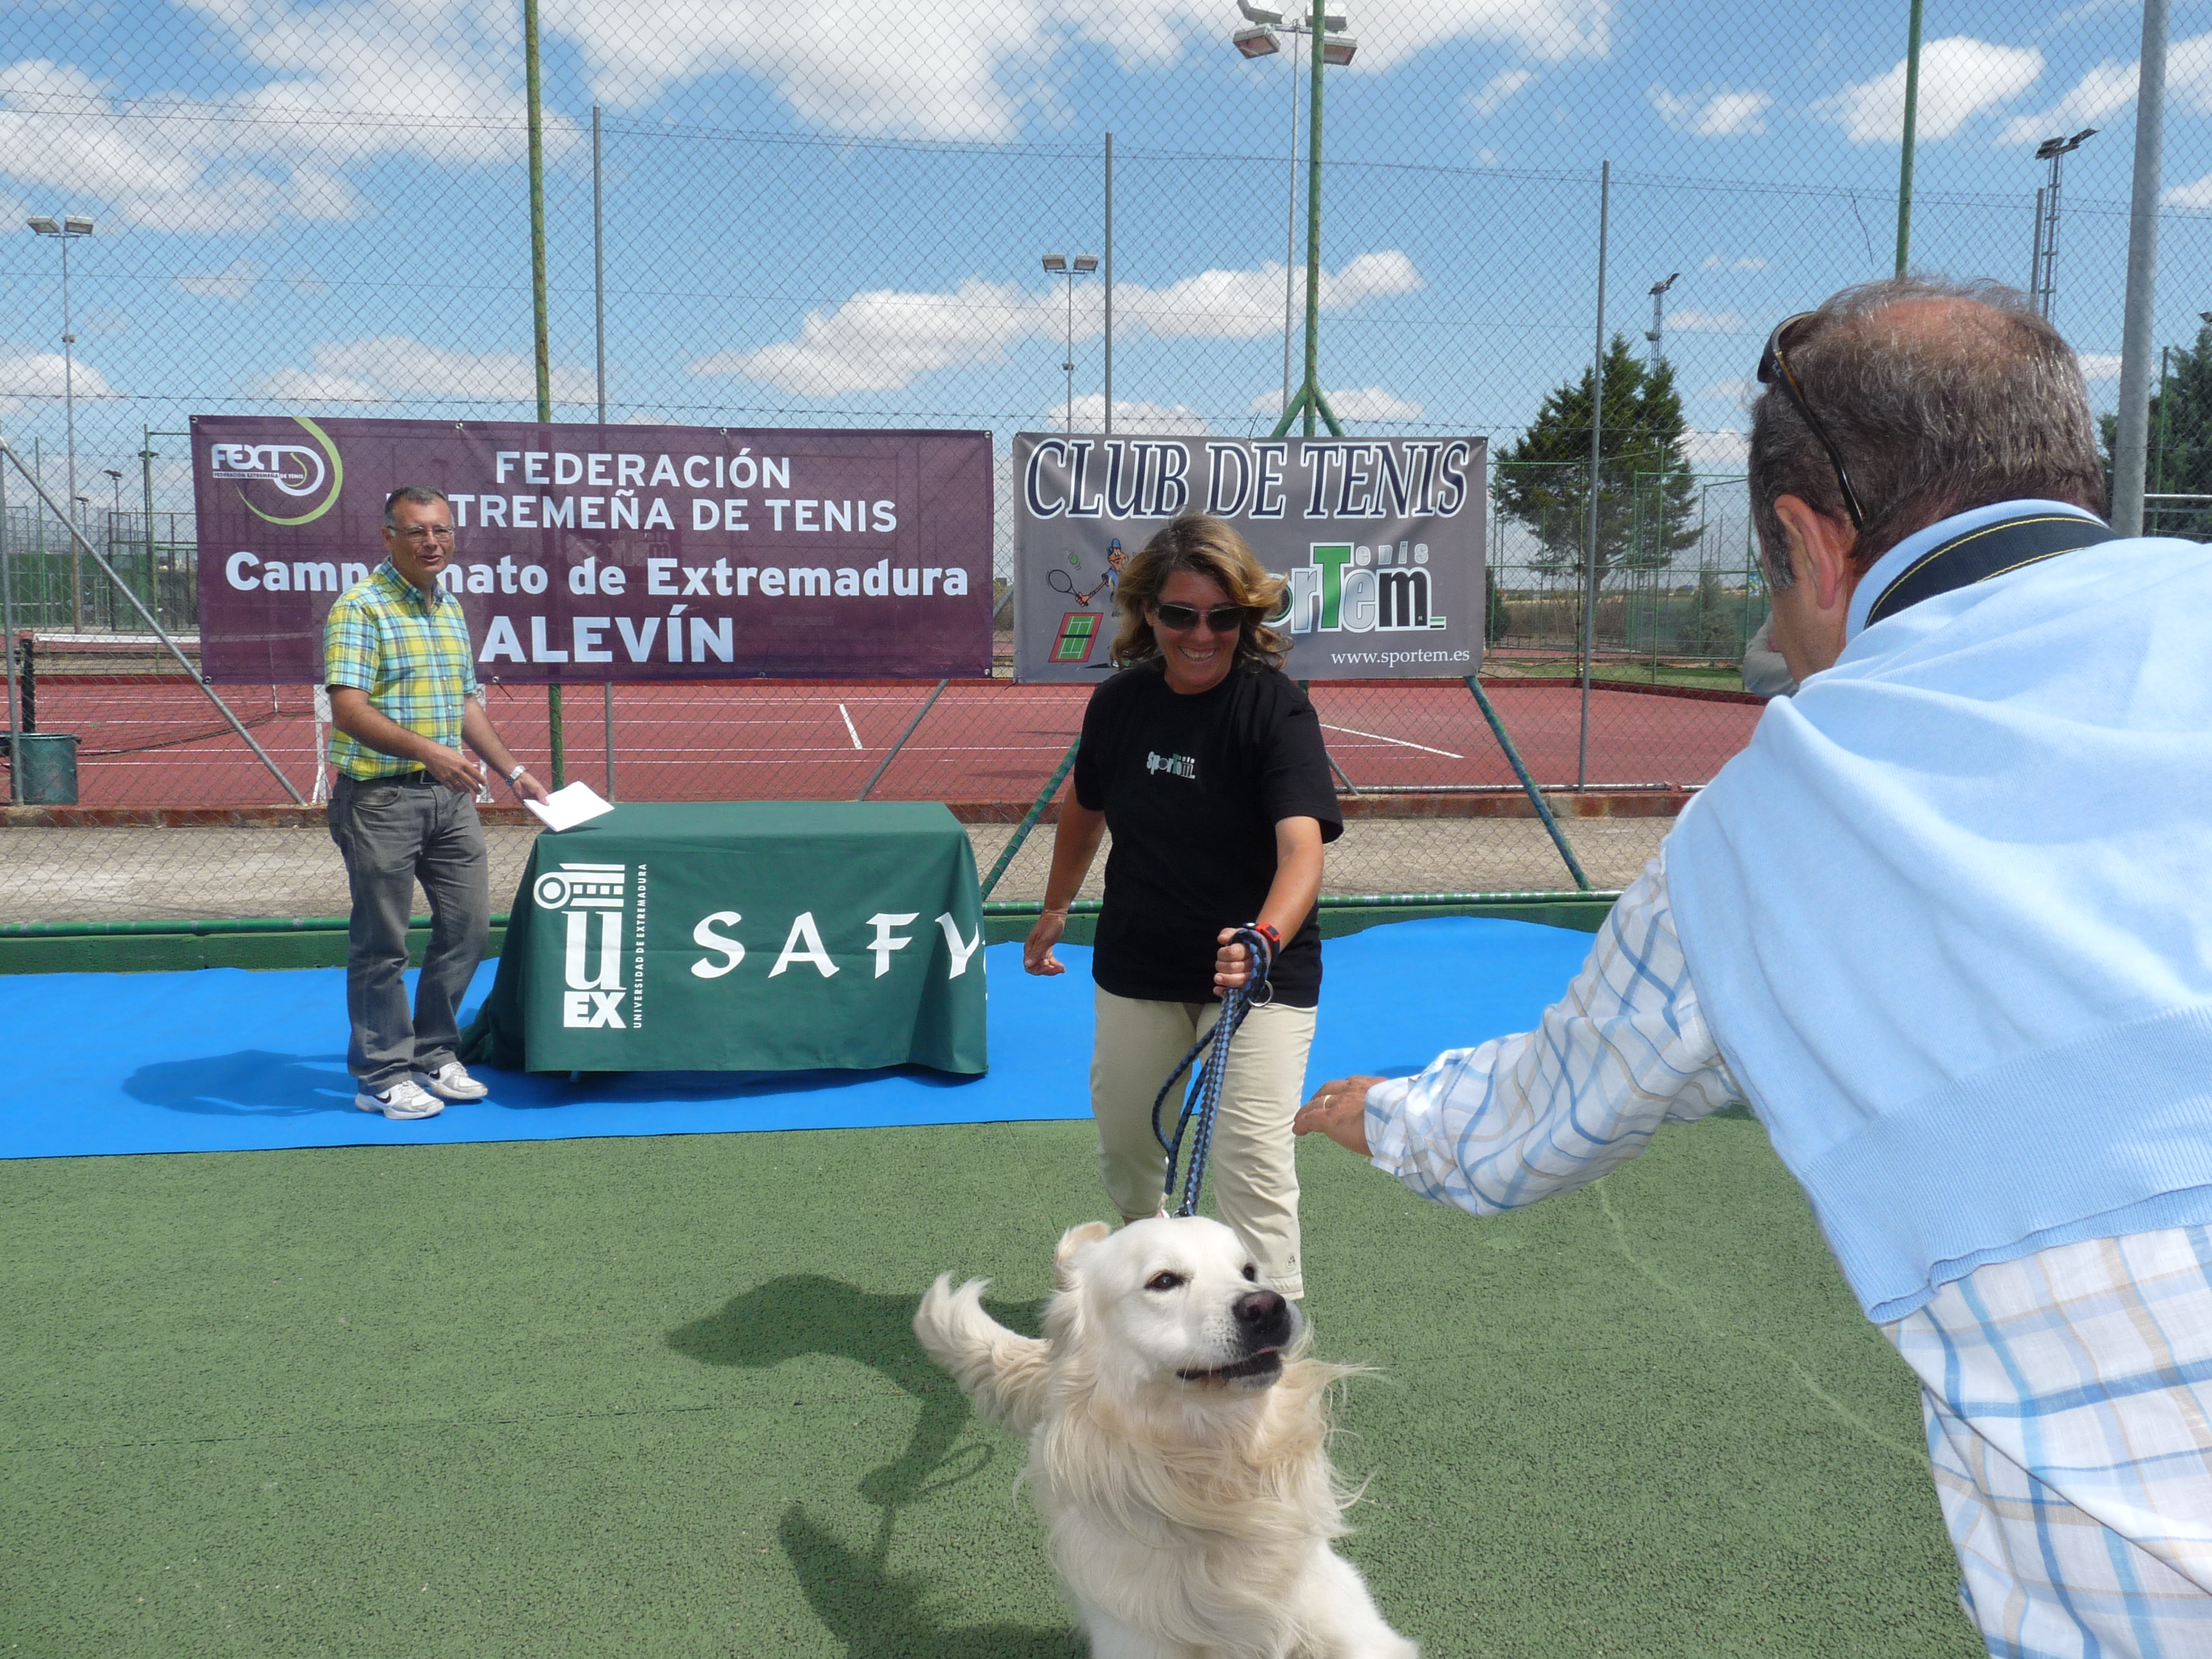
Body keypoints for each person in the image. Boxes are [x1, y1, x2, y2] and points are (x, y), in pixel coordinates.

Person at [1293, 276, 2212, 1655]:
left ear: (1809, 540)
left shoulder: (1764, 820)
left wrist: (1374, 1109)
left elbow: (1524, 1129)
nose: (1780, 633)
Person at [1025, 514, 1341, 1296]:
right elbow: (1085, 806)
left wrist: (1263, 938)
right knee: (1129, 1147)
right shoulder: (1120, 703)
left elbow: (1302, 851)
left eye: (1222, 617)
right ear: (1148, 613)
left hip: (1259, 976)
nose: (1202, 635)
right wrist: (1056, 906)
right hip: (1141, 960)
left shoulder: (1276, 711)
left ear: (1246, 618)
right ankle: (1151, 1282)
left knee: (1249, 1161)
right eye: (1180, 614)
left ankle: (1270, 1330)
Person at [324, 486, 549, 1121]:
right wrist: (430, 752)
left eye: (442, 530)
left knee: (469, 928)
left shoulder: (448, 607)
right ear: (388, 537)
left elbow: (464, 701)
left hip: (451, 801)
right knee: (382, 945)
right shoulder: (360, 608)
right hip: (380, 801)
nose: (432, 542)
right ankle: (380, 1075)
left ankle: (433, 1051)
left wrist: (514, 771)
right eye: (417, 531)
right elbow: (349, 710)